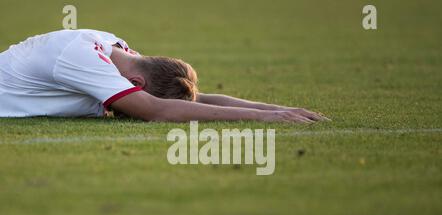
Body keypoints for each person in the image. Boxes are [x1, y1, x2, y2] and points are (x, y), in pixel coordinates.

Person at [0, 29, 328, 123]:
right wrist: (261, 121)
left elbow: (199, 101)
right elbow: (159, 110)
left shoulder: (118, 50)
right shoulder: (83, 58)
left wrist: (274, 109)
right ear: (137, 86)